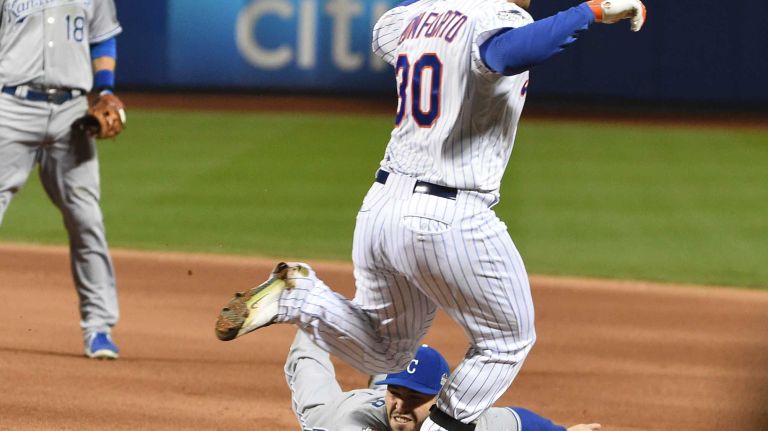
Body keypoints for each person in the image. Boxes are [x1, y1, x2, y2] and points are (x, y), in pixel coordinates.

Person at [216, 0, 646, 429]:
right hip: (448, 214)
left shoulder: (415, 14)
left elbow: (383, 32)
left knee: (388, 352)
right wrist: (589, 12)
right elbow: (505, 52)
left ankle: (298, 296)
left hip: (380, 208)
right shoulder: (497, 16)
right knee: (507, 340)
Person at [0, 0, 126, 359]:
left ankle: (99, 328)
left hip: (72, 112)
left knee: (86, 219)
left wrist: (104, 89)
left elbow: (103, 38)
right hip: (10, 107)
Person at [285, 329, 600, 431]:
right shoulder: (344, 418)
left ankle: (394, 354)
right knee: (310, 356)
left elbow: (517, 421)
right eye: (397, 393)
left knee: (394, 357)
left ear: (440, 398)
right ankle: (307, 309)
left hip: (395, 384)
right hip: (350, 408)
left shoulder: (458, 417)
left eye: (416, 397)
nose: (402, 406)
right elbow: (309, 371)